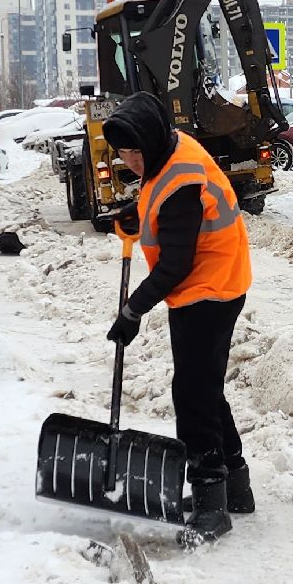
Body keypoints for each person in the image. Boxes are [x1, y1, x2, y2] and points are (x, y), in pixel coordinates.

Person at [99, 92, 253, 548]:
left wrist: (132, 310)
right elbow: (161, 202)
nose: (126, 160)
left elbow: (174, 265)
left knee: (191, 394)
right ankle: (236, 488)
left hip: (210, 288)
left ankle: (211, 504)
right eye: (122, 152)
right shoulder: (170, 151)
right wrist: (135, 210)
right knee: (205, 386)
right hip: (214, 281)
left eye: (131, 152)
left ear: (149, 144)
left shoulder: (180, 179)